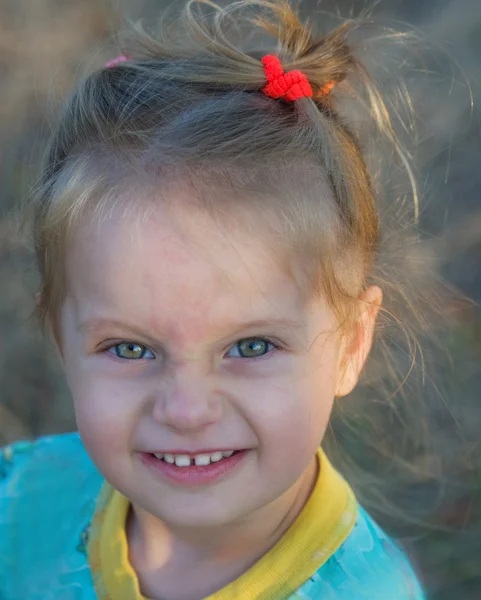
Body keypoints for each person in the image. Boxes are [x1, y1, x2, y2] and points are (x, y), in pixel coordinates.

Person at [0, 0, 428, 597]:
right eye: (128, 348)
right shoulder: (24, 501)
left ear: (352, 344)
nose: (186, 410)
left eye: (251, 345)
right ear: (61, 342)